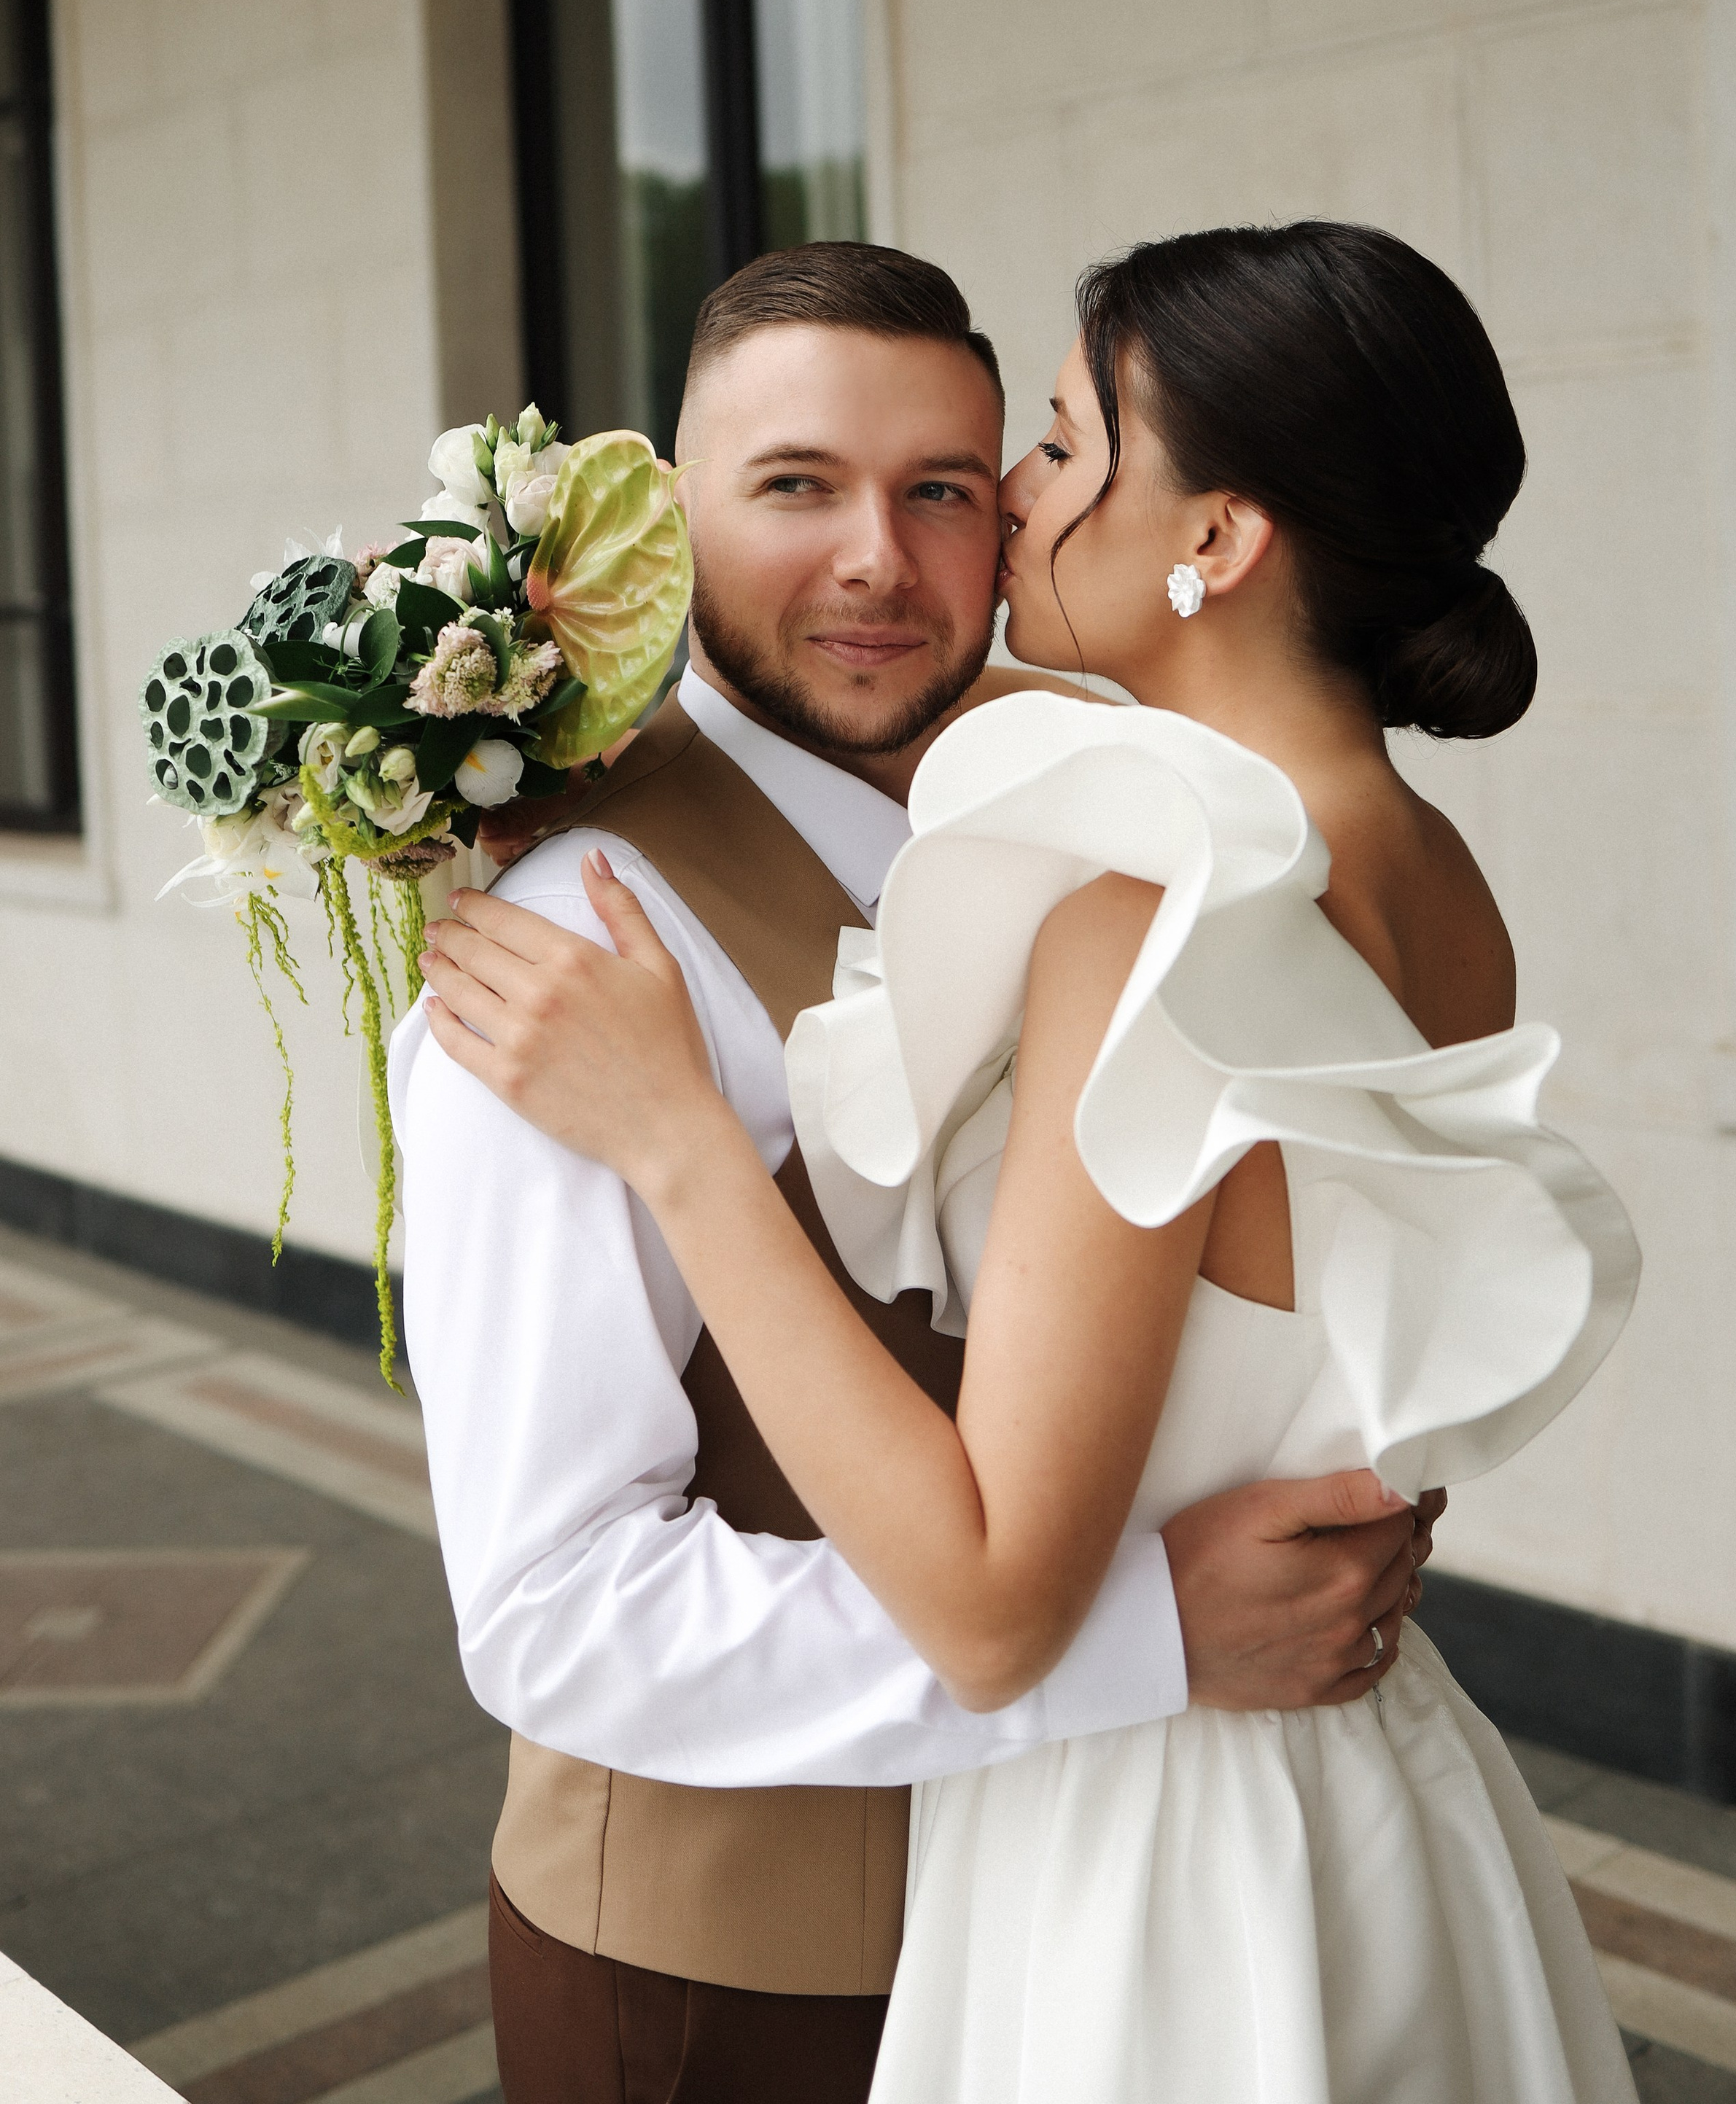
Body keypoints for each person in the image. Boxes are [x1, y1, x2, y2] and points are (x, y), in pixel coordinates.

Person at [422, 223, 1643, 2102]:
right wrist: (1151, 1631)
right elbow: (553, 1604)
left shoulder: (1134, 856)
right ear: (669, 518)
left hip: (1137, 1875)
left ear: (1206, 538)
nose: (885, 558)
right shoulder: (583, 930)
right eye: (794, 487)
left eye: (975, 479)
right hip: (751, 1949)